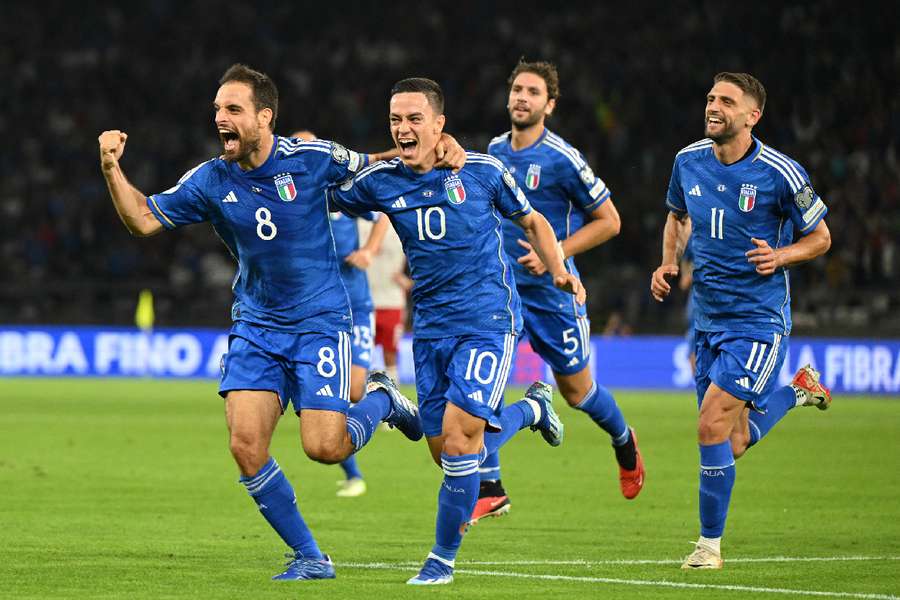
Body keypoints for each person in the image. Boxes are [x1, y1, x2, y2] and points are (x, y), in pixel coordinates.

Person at [98, 63, 465, 581]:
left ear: (265, 117)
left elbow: (380, 163)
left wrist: (440, 147)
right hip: (256, 324)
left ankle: (382, 398)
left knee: (324, 447)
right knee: (245, 445)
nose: (220, 119)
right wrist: (113, 169)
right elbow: (142, 218)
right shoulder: (210, 179)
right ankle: (311, 556)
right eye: (217, 110)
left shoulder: (313, 160)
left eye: (233, 110)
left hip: (319, 322)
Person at [328, 77, 585, 585]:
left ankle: (441, 561)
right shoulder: (381, 183)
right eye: (396, 119)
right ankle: (533, 408)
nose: (404, 128)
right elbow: (325, 190)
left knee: (463, 440)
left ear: (440, 125)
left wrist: (559, 269)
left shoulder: (484, 171)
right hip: (431, 329)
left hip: (488, 320)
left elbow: (533, 221)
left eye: (415, 119)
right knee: (445, 451)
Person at [650, 72, 833, 569]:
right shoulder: (687, 160)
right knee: (734, 439)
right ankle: (798, 391)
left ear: (752, 116)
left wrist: (782, 255)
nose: (714, 106)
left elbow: (821, 238)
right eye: (711, 97)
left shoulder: (781, 173)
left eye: (727, 101)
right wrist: (669, 261)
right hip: (707, 318)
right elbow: (677, 216)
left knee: (710, 424)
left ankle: (708, 547)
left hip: (757, 320)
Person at [475, 59, 645, 523]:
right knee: (483, 386)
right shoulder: (492, 150)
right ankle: (490, 486)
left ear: (549, 104)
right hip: (502, 290)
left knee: (578, 391)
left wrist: (557, 255)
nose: (521, 98)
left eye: (532, 92)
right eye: (516, 90)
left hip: (552, 292)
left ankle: (623, 440)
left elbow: (610, 221)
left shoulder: (562, 158)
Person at [292, 129, 389, 498]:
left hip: (356, 304)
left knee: (352, 389)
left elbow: (383, 212)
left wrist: (369, 251)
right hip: (315, 312)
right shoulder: (295, 201)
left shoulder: (340, 192)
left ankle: (384, 401)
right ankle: (353, 474)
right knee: (318, 398)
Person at [359, 216, 412, 386]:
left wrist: (409, 281)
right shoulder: (358, 219)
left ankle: (394, 394)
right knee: (361, 354)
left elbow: (424, 260)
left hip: (392, 300)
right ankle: (360, 395)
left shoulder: (402, 222)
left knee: (390, 353)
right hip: (363, 300)